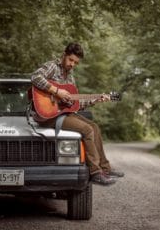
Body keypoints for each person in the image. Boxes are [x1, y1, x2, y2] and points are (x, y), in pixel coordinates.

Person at [31, 42, 124, 186]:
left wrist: (95, 100)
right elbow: (35, 77)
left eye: (76, 62)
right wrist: (56, 91)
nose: (72, 64)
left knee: (94, 127)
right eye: (71, 60)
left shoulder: (70, 77)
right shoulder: (53, 66)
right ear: (64, 55)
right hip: (47, 115)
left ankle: (105, 169)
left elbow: (75, 104)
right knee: (87, 130)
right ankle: (95, 173)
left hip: (62, 113)